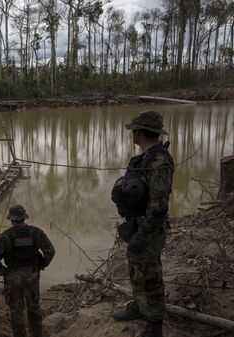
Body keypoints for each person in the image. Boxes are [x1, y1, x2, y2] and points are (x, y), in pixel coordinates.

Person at [111, 111, 174, 337]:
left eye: (133, 131)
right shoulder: (145, 157)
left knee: (151, 275)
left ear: (139, 133)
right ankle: (139, 305)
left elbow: (158, 206)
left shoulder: (159, 161)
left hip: (149, 229)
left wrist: (143, 235)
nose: (132, 134)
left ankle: (155, 324)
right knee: (137, 270)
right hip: (138, 224)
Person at [0, 204, 55, 337]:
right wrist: (42, 264)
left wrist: (3, 271)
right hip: (32, 274)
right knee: (33, 307)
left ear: (11, 220)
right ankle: (37, 334)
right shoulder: (36, 232)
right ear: (24, 218)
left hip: (13, 277)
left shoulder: (5, 236)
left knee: (16, 309)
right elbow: (50, 251)